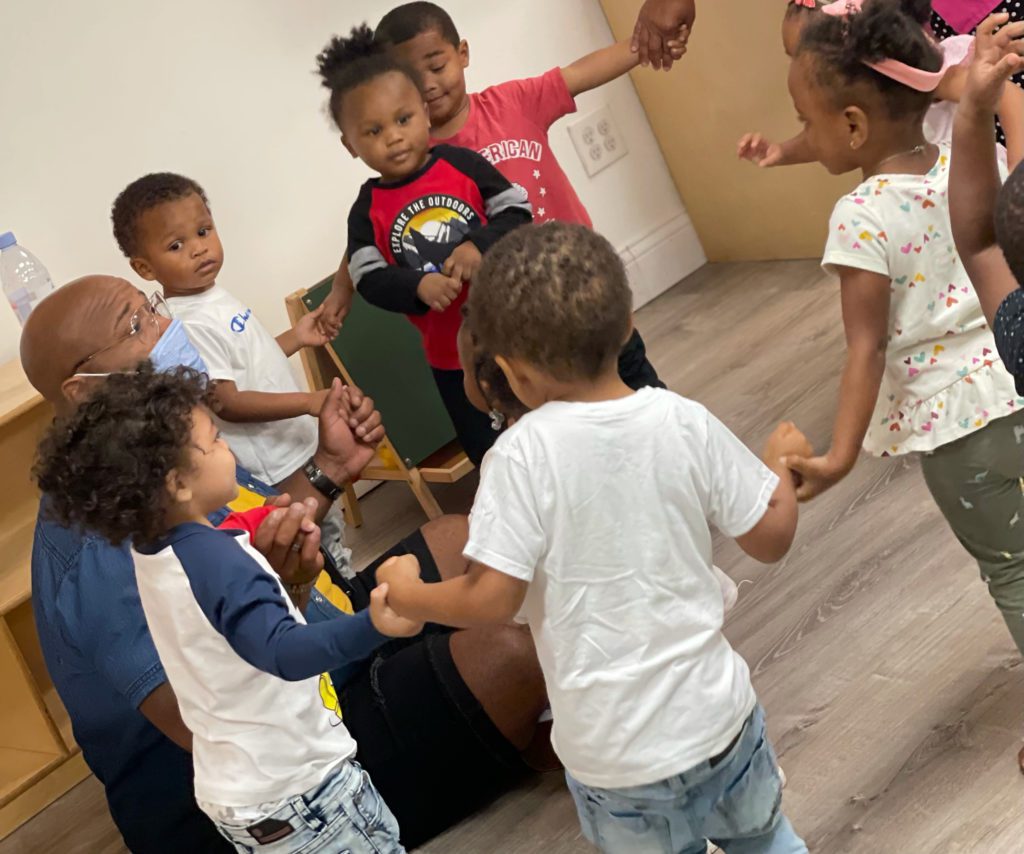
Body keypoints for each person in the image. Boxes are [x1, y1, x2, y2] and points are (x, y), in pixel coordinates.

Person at [22, 275, 550, 852]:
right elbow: (211, 723)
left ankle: (515, 727)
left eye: (151, 306)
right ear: (80, 390)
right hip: (266, 781)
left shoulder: (159, 443)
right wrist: (298, 602)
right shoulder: (96, 541)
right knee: (507, 656)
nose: (164, 325)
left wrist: (330, 465)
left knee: (458, 538)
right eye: (136, 323)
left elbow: (258, 527)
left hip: (298, 649)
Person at [378, 222, 809, 854]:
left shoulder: (518, 457)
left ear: (514, 376)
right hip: (720, 721)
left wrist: (413, 597)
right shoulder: (679, 418)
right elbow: (770, 539)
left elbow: (492, 599)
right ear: (628, 322)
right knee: (769, 843)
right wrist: (779, 471)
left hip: (615, 757)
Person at [35, 365, 417, 853]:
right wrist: (380, 619)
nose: (228, 451)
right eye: (216, 442)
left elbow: (228, 530)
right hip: (301, 787)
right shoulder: (217, 562)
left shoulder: (149, 549)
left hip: (241, 794)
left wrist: (265, 517)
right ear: (176, 483)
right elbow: (285, 652)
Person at [778, 0, 1024, 660]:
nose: (804, 133)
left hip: (957, 432)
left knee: (1014, 571)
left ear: (853, 125)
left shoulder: (860, 216)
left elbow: (866, 346)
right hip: (1017, 379)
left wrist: (837, 456)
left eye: (808, 121)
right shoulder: (975, 169)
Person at [321, 2, 686, 398]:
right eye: (412, 75)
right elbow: (379, 227)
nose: (427, 83)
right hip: (517, 312)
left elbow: (580, 73)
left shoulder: (512, 102)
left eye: (437, 65)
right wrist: (342, 291)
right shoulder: (414, 161)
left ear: (462, 54)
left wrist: (647, 41)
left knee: (635, 379)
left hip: (579, 279)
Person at [110, 172, 353, 571]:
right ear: (144, 267)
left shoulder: (209, 297)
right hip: (278, 465)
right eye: (176, 244)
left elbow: (244, 365)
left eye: (204, 231)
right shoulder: (188, 322)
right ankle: (352, 608)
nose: (199, 249)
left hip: (295, 447)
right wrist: (311, 401)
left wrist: (296, 336)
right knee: (319, 550)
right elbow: (227, 400)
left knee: (330, 535)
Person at [316, 25, 533, 466]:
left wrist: (477, 246)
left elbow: (517, 213)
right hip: (454, 358)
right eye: (373, 130)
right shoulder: (366, 209)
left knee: (553, 422)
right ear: (349, 144)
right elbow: (369, 278)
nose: (394, 136)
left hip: (524, 330)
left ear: (425, 112)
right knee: (490, 452)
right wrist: (418, 287)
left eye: (403, 119)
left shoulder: (462, 165)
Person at [737, 0, 1024, 171]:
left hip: (987, 201)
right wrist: (783, 152)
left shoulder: (919, 77)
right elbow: (828, 137)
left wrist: (1016, 178)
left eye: (806, 56)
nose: (798, 70)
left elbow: (1008, 97)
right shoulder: (852, 109)